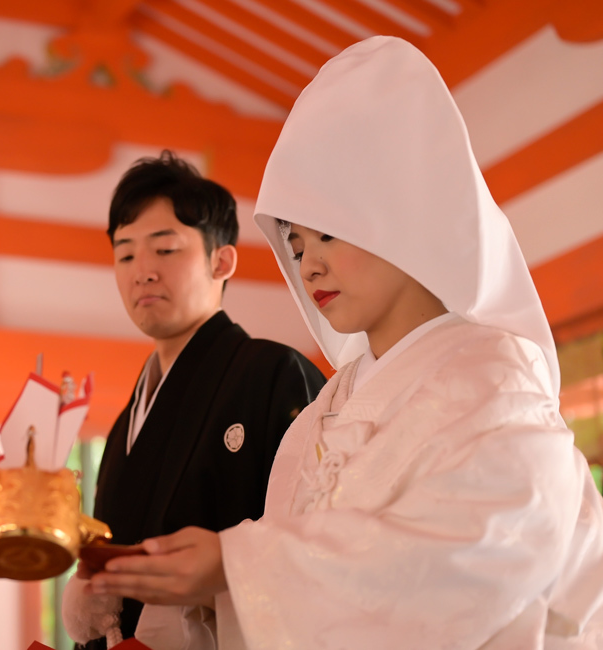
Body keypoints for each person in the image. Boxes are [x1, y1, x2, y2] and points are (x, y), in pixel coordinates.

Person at [86, 37, 603, 649]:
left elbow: (472, 563)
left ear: (405, 214)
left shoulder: (494, 380)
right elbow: (277, 591)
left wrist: (235, 566)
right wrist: (194, 586)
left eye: (328, 234)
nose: (308, 266)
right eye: (297, 245)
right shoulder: (324, 412)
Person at [62, 152, 326, 649]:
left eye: (165, 250)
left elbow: (314, 545)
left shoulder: (273, 374)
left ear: (221, 260)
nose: (142, 272)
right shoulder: (126, 423)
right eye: (125, 255)